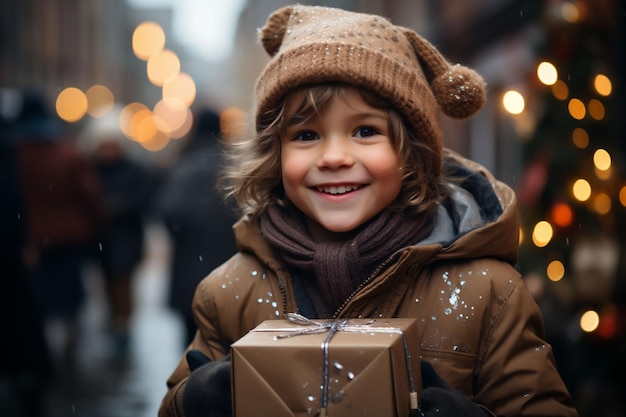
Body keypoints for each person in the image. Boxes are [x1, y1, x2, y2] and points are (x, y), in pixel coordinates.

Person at [159, 5, 577, 417]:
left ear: (411, 153)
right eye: (306, 134)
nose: (334, 156)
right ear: (276, 154)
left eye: (365, 131)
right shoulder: (230, 291)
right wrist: (194, 399)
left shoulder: (489, 294)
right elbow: (172, 406)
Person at [13, 90, 104, 372]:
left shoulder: (12, 156)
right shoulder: (67, 154)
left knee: (36, 300)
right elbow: (89, 196)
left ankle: (40, 353)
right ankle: (66, 345)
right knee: (68, 296)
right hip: (68, 238)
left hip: (27, 242)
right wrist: (96, 229)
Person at [155, 108, 238, 346]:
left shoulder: (184, 167)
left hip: (190, 265)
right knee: (227, 338)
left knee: (193, 341)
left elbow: (168, 212)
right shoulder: (233, 167)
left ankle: (194, 381)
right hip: (230, 266)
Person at [87, 124, 156, 358]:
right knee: (107, 282)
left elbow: (142, 200)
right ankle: (115, 322)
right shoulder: (93, 170)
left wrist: (117, 207)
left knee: (124, 283)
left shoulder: (133, 170)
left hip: (126, 239)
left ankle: (123, 326)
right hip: (103, 239)